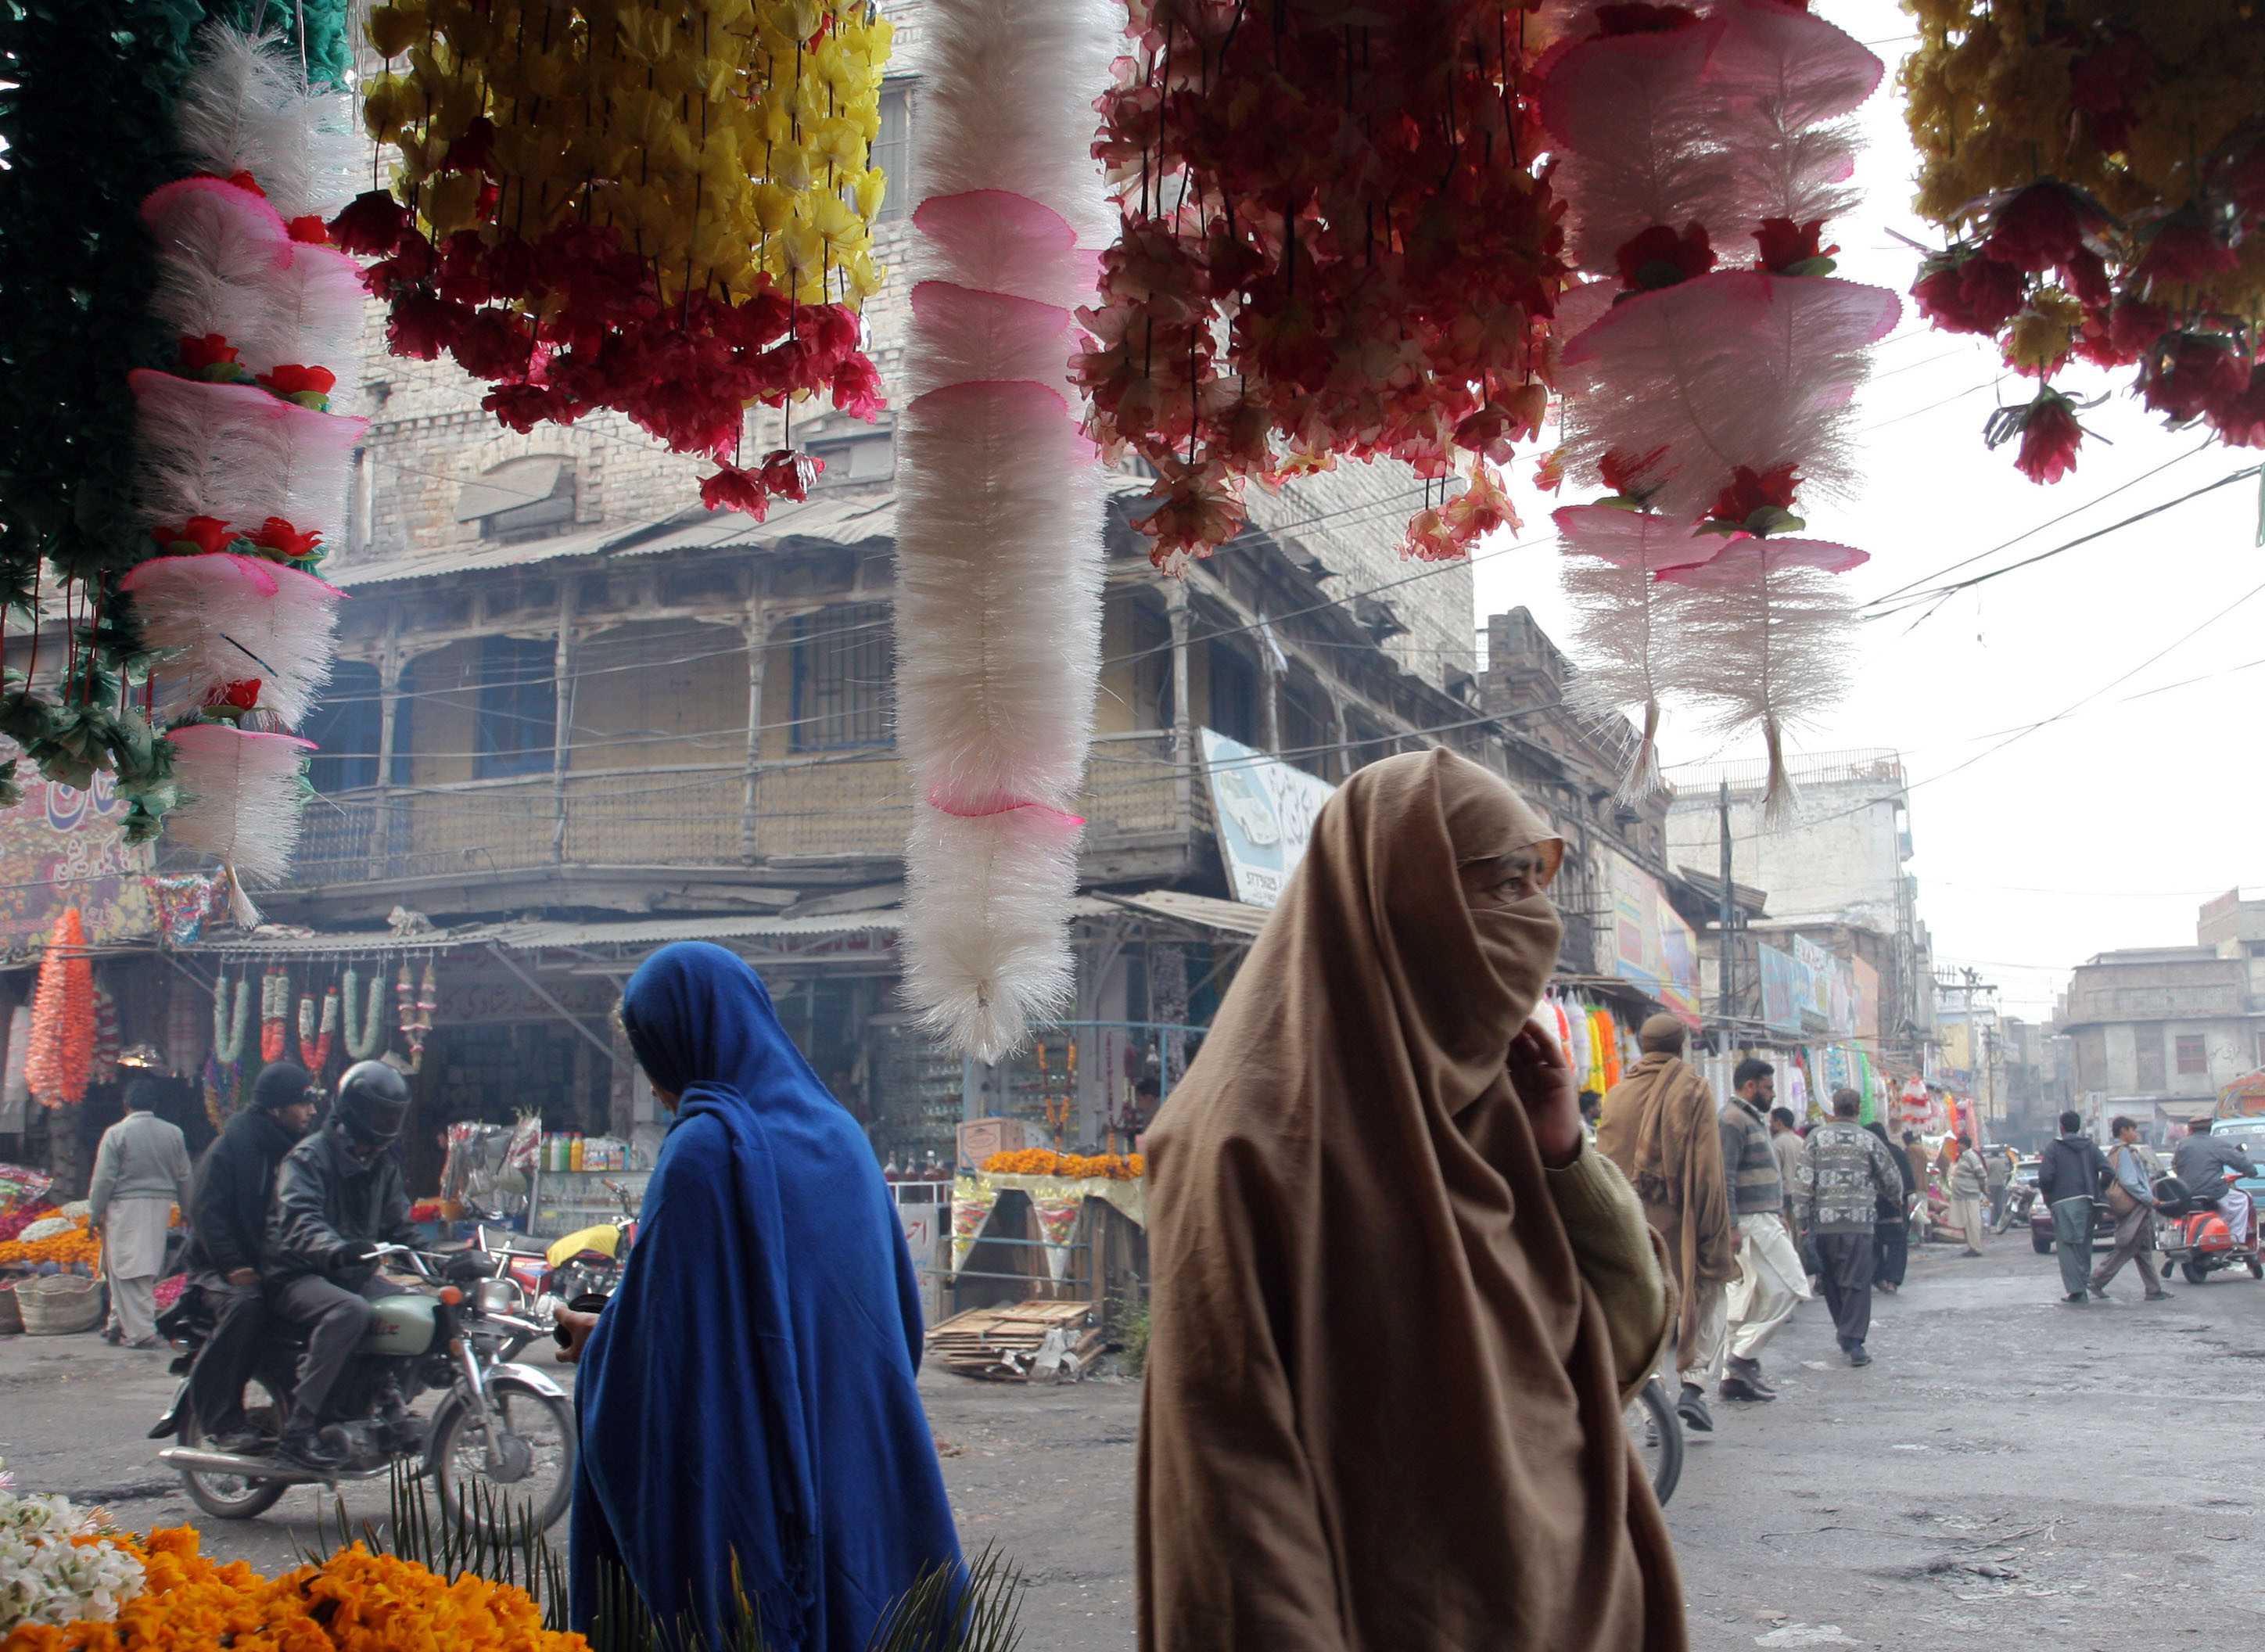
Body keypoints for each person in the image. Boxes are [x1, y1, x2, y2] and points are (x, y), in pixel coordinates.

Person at [1140, 749, 1682, 1652]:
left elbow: (1617, 1344)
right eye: (1502, 883)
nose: (1534, 918)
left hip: (1570, 1601)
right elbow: (1230, 1494)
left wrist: (1563, 1153)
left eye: (1535, 879)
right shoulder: (1243, 1139)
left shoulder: (1486, 1110)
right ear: (1406, 897)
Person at [568, 943, 960, 1652]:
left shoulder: (703, 1156)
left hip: (766, 1511)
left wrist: (598, 1344)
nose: (657, 1083)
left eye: (652, 1054)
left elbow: (666, 1371)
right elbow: (900, 1324)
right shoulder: (843, 1136)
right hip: (871, 1478)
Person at [265, 1061, 422, 1467]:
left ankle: (388, 1404)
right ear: (353, 1109)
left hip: (352, 1272)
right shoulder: (308, 1157)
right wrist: (335, 1248)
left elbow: (400, 1224)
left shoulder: (382, 1163)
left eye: (392, 1115)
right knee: (349, 1311)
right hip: (296, 1273)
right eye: (377, 1113)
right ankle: (297, 1432)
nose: (385, 1123)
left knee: (417, 1310)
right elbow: (300, 1219)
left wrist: (444, 1263)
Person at [1597, 1010, 1735, 1435]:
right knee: (1710, 1290)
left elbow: (1602, 1165)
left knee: (1640, 1313)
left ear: (1643, 1045)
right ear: (1680, 1047)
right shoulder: (1693, 1090)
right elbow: (1709, 1172)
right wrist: (1716, 1230)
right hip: (1681, 1222)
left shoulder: (1616, 1095)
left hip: (1627, 1223)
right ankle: (1693, 1386)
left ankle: (1651, 1405)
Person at [182, 1062, 321, 1445]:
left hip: (277, 1264)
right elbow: (207, 1213)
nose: (311, 1112)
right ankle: (221, 1419)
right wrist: (232, 1265)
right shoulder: (232, 1148)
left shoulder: (296, 1151)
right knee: (247, 1306)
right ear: (275, 1109)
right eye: (301, 1104)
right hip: (218, 1271)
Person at [1705, 1058, 1807, 1405]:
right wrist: (1732, 1225)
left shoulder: (1750, 1119)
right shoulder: (1732, 1120)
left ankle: (1734, 1379)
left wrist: (1776, 1212)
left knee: (1749, 1302)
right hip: (1749, 1223)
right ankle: (1741, 1358)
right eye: (1767, 1086)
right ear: (1750, 1086)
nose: (1772, 1093)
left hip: (1763, 1219)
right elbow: (1725, 1177)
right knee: (1791, 1287)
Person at [1796, 1089, 1903, 1367]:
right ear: (1858, 1109)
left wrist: (1802, 1220)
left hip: (1825, 1224)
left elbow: (1803, 1181)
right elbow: (1892, 1179)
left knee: (1830, 1281)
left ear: (1833, 1108)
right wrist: (1892, 1198)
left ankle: (1845, 1332)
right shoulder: (1869, 1140)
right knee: (1856, 1282)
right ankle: (1853, 1340)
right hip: (1858, 1224)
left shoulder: (1816, 1139)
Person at [88, 1080, 194, 1349]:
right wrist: (187, 1210)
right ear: (155, 1105)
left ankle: (142, 1332)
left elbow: (103, 1179)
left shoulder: (116, 1133)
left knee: (129, 1269)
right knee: (140, 1264)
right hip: (160, 1205)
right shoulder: (173, 1133)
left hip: (124, 1206)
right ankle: (117, 1323)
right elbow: (185, 1176)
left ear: (125, 1105)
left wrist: (94, 1212)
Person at [2091, 1115, 2171, 1303]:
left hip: (2138, 1205)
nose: (2135, 1134)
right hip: (2135, 1205)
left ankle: (2154, 1289)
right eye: (2133, 1130)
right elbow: (2129, 1182)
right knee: (2127, 1246)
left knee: (2143, 1248)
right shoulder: (2124, 1152)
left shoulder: (2123, 1152)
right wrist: (2149, 1199)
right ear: (2124, 1131)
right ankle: (2096, 1280)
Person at [2036, 1110, 2111, 1305]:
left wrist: (2049, 1195)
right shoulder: (2090, 1147)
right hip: (2088, 1201)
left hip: (2064, 1202)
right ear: (2079, 1127)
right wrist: (2098, 1189)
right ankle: (2084, 1282)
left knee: (2068, 1247)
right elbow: (2108, 1171)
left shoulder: (2054, 1148)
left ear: (2062, 1127)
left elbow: (2045, 1177)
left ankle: (2076, 1291)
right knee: (2084, 1245)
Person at [2173, 1116, 2257, 1254]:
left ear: (2190, 1129)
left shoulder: (2182, 1145)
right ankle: (2236, 1241)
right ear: (2209, 1129)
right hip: (2214, 1192)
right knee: (2242, 1200)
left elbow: (2175, 1166)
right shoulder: (2218, 1144)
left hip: (2186, 1193)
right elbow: (2240, 1162)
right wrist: (2251, 1172)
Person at [1865, 1119, 1917, 1293]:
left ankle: (1879, 1278)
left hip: (1874, 1207)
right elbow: (1908, 1183)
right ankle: (1893, 1280)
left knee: (1874, 1243)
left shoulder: (1871, 1153)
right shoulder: (1898, 1152)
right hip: (1896, 1207)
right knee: (1897, 1245)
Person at [1947, 1133, 1989, 1255]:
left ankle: (1976, 1248)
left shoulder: (1971, 1156)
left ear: (1964, 1145)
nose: (1957, 1146)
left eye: (1958, 1144)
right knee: (1966, 1223)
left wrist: (1983, 1188)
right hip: (1961, 1195)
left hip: (1970, 1195)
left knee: (1973, 1222)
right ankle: (1971, 1247)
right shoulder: (1962, 1157)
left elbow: (1981, 1174)